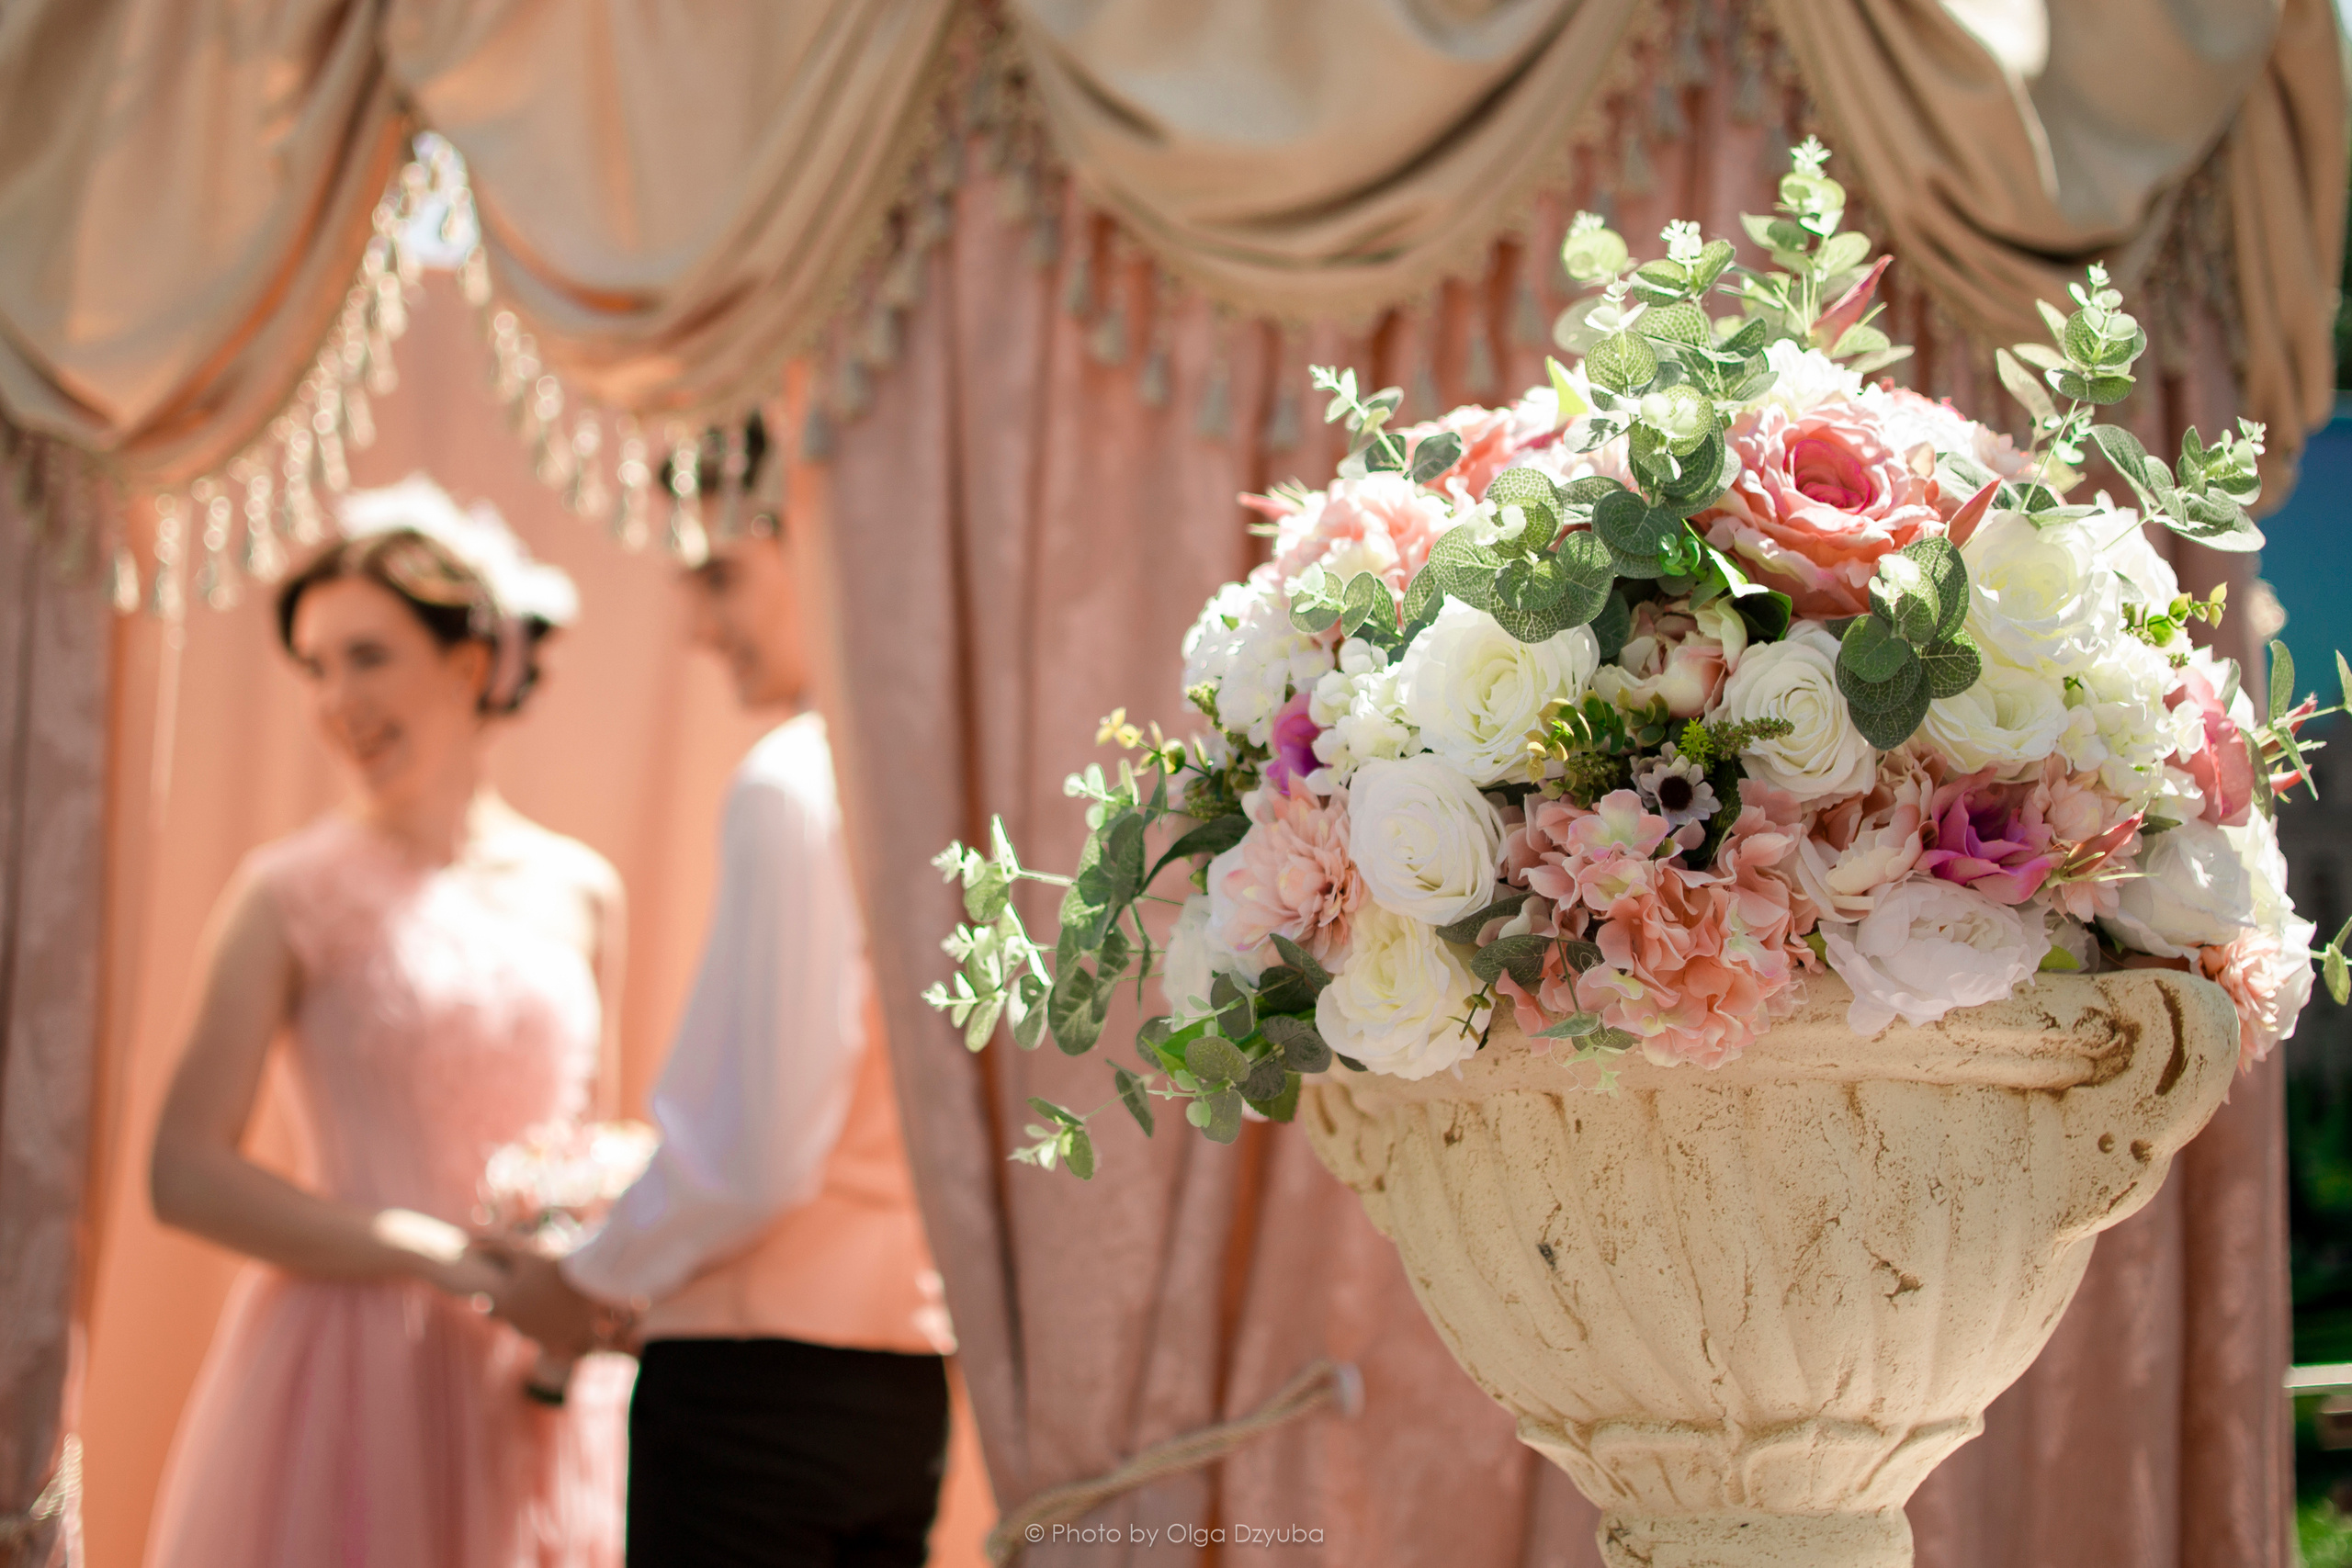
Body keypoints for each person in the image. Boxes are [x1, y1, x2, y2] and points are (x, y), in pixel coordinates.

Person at [489, 428, 955, 1568]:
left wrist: (587, 1281)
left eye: (718, 577)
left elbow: (756, 1154)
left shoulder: (795, 783)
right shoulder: (940, 772)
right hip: (904, 1384)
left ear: (821, 534)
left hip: (756, 1396)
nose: (699, 628)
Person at [144, 478, 630, 1567]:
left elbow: (590, 1144)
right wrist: (420, 1250)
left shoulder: (581, 890)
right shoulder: (285, 894)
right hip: (350, 1368)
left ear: (466, 665)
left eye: (365, 656)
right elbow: (181, 1172)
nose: (333, 699)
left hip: (534, 1368)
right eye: (314, 667)